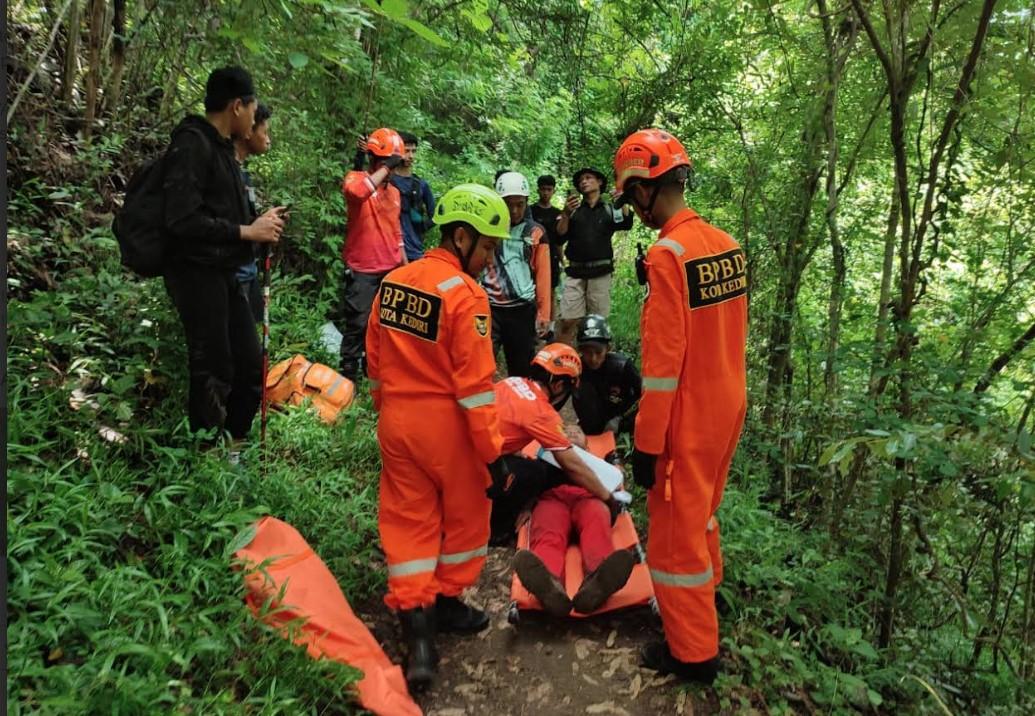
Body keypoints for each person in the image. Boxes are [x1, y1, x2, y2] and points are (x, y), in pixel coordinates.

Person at [365, 183, 511, 692]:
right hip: (446, 426)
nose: (490, 258)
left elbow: (375, 362)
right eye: (489, 246)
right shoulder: (465, 295)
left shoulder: (394, 282)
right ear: (463, 237)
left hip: (397, 422)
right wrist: (493, 456)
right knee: (468, 516)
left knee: (407, 525)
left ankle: (419, 641)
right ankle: (447, 603)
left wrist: (390, 413)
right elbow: (475, 388)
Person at [614, 128, 747, 684]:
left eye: (632, 195)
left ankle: (693, 651)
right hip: (727, 405)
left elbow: (663, 368)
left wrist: (646, 444)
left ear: (646, 188)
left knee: (673, 539)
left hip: (687, 420)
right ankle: (706, 598)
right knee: (703, 514)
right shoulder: (725, 243)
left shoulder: (669, 255)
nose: (635, 209)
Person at [162, 67, 285, 447]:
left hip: (227, 274)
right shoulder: (192, 144)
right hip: (198, 277)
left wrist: (257, 227)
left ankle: (234, 446)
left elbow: (225, 218)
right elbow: (181, 220)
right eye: (252, 109)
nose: (254, 118)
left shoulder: (222, 151)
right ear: (237, 107)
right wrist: (248, 231)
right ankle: (204, 456)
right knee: (212, 369)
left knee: (248, 364)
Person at [491, 344, 635, 617]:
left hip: (586, 498)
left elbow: (594, 473)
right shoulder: (544, 428)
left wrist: (606, 495)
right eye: (565, 430)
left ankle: (599, 576)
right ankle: (548, 583)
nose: (569, 432)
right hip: (553, 497)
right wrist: (528, 504)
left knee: (596, 526)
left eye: (575, 432)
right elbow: (561, 465)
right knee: (548, 533)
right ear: (559, 385)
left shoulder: (513, 384)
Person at [338, 128, 406, 382]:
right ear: (376, 160)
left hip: (389, 270)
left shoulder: (395, 193)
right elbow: (359, 192)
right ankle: (348, 379)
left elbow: (396, 234)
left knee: (384, 328)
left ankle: (374, 375)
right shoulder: (355, 180)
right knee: (358, 326)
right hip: (362, 271)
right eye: (389, 163)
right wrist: (386, 166)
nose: (393, 171)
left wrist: (405, 269)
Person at [480, 171, 551, 377]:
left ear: (527, 202)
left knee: (521, 371)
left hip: (522, 311)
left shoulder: (535, 233)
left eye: (520, 204)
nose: (514, 210)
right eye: (508, 204)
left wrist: (544, 314)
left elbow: (543, 276)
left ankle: (518, 408)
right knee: (482, 365)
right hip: (489, 308)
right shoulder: (485, 228)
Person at [554, 167, 633, 344]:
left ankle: (596, 363)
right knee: (568, 321)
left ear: (599, 182)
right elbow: (559, 235)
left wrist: (623, 201)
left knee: (598, 323)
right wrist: (565, 213)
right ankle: (561, 363)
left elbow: (626, 223)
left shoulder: (609, 209)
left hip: (600, 273)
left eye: (588, 178)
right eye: (581, 180)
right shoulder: (573, 210)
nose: (584, 181)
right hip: (575, 273)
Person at [234, 103, 273, 322]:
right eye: (264, 132)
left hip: (247, 271)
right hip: (232, 278)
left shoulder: (243, 175)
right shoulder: (228, 174)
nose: (268, 139)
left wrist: (264, 221)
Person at [572, 314, 641, 436]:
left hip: (622, 422)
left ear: (608, 348)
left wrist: (622, 420)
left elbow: (645, 396)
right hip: (592, 428)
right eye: (588, 353)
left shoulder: (623, 367)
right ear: (580, 351)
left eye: (598, 352)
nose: (593, 359)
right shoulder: (576, 368)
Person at [390, 131, 436, 262]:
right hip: (390, 252)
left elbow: (436, 216)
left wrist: (421, 226)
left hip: (415, 251)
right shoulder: (387, 181)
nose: (410, 156)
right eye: (406, 151)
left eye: (413, 151)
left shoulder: (421, 185)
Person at [529, 175, 564, 335]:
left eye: (549, 189)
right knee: (533, 291)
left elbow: (559, 239)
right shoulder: (530, 211)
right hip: (532, 256)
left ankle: (549, 327)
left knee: (550, 290)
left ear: (553, 191)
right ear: (538, 190)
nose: (545, 193)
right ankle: (533, 323)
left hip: (552, 258)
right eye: (543, 189)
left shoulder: (557, 213)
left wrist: (562, 258)